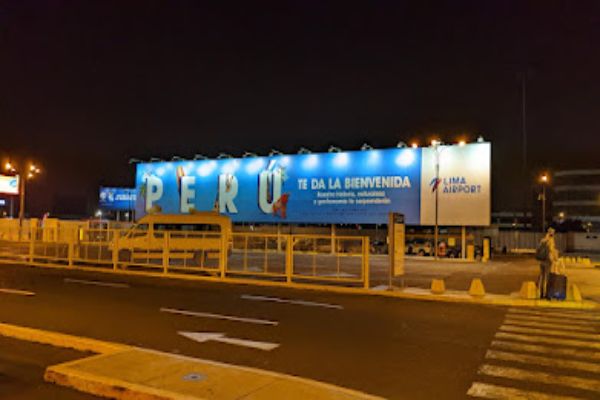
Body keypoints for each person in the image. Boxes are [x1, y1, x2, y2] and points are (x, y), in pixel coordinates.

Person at [537, 227, 558, 298]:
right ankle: (546, 294)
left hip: (541, 261)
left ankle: (541, 293)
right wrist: (554, 259)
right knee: (547, 278)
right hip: (547, 261)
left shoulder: (542, 240)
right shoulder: (551, 241)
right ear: (552, 234)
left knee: (542, 277)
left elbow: (538, 249)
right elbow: (551, 251)